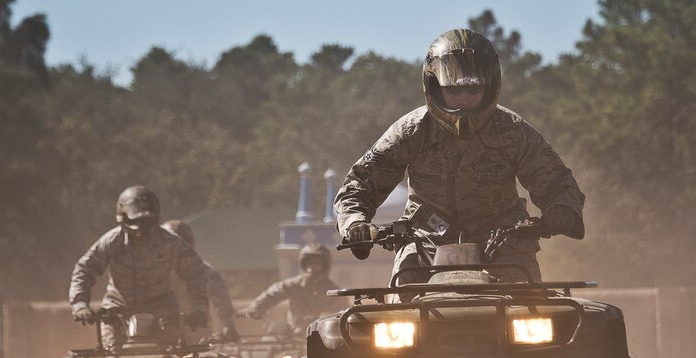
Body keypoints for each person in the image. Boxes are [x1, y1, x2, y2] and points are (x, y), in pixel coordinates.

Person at [335, 28, 586, 283]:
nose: (464, 98)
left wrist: (562, 209)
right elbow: (360, 185)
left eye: (473, 89)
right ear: (434, 86)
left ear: (490, 87)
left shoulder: (513, 130)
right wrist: (355, 223)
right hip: (425, 242)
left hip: (504, 243)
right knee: (404, 291)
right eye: (454, 90)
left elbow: (557, 182)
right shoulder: (411, 130)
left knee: (528, 299)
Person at [69, 186, 209, 349]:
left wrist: (200, 308)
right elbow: (85, 270)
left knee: (172, 353)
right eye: (135, 221)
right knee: (111, 352)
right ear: (123, 219)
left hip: (162, 309)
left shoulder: (170, 242)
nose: (141, 228)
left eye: (147, 221)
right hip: (117, 311)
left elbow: (195, 273)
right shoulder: (111, 241)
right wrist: (79, 304)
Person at [161, 219, 240, 342]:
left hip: (196, 327)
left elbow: (221, 298)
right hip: (162, 329)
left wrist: (228, 326)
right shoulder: (152, 270)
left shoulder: (203, 270)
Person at [237, 243, 339, 335]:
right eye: (309, 263)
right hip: (292, 336)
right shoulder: (293, 285)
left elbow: (341, 317)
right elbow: (272, 294)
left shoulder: (335, 292)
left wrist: (323, 318)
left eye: (316, 264)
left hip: (322, 339)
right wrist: (256, 307)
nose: (311, 268)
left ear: (325, 266)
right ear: (303, 264)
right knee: (269, 338)